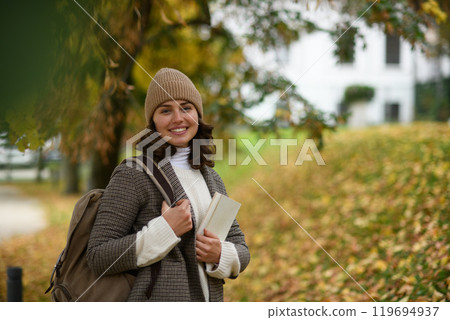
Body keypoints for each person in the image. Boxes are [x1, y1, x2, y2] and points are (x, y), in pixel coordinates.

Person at [86, 68, 250, 301]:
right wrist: (165, 230)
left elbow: (241, 249)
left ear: (197, 114)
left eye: (186, 107)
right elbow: (98, 256)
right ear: (153, 120)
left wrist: (220, 254)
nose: (178, 118)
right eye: (165, 110)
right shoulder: (133, 174)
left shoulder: (212, 179)